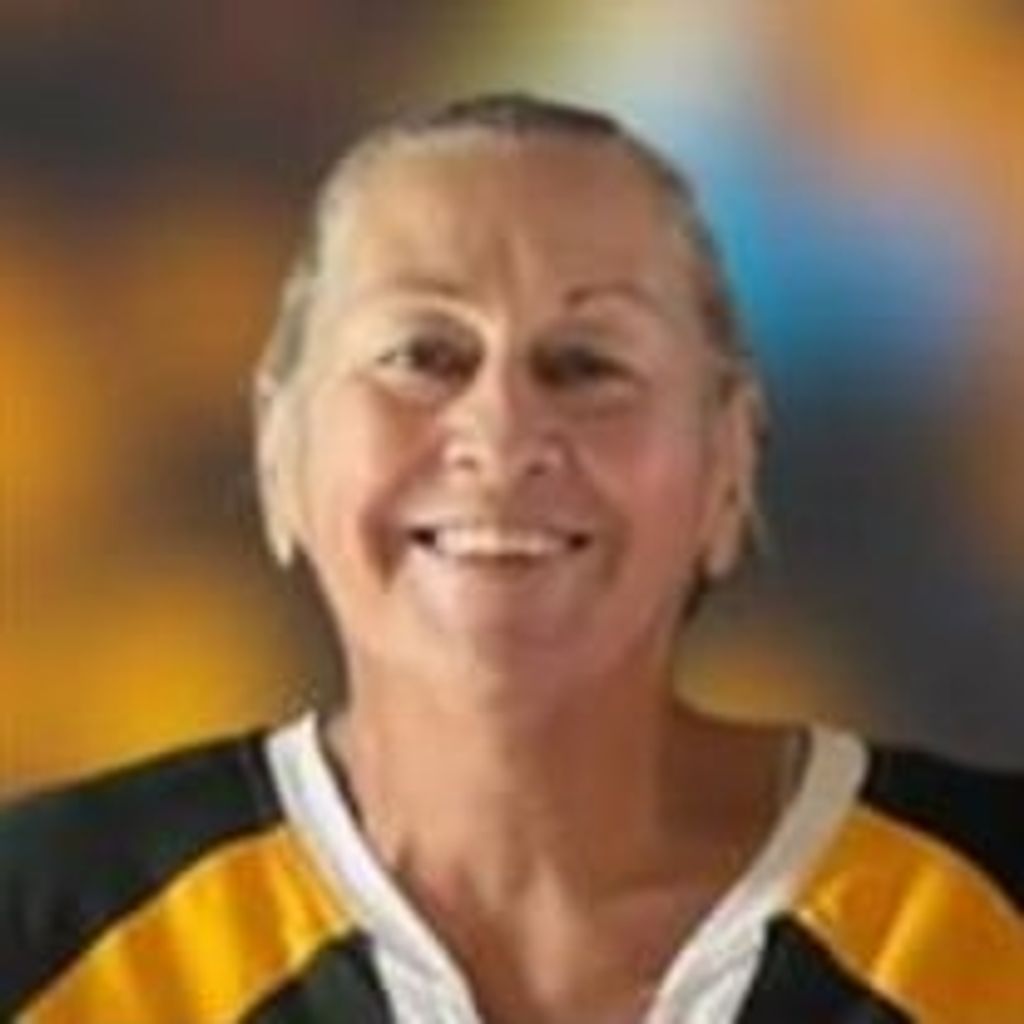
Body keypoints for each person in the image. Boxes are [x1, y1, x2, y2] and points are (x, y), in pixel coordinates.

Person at [1, 94, 1020, 1024]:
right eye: (420, 355)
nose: (501, 430)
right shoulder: (47, 927)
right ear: (282, 451)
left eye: (588, 364)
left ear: (727, 462)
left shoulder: (981, 910)